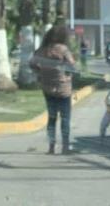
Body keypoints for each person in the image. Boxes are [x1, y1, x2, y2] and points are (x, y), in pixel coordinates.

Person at [30, 26, 76, 155]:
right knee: (65, 118)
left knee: (51, 118)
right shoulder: (64, 50)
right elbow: (72, 65)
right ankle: (65, 147)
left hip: (47, 88)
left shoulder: (41, 50)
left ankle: (51, 147)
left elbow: (32, 63)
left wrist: (40, 73)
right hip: (64, 88)